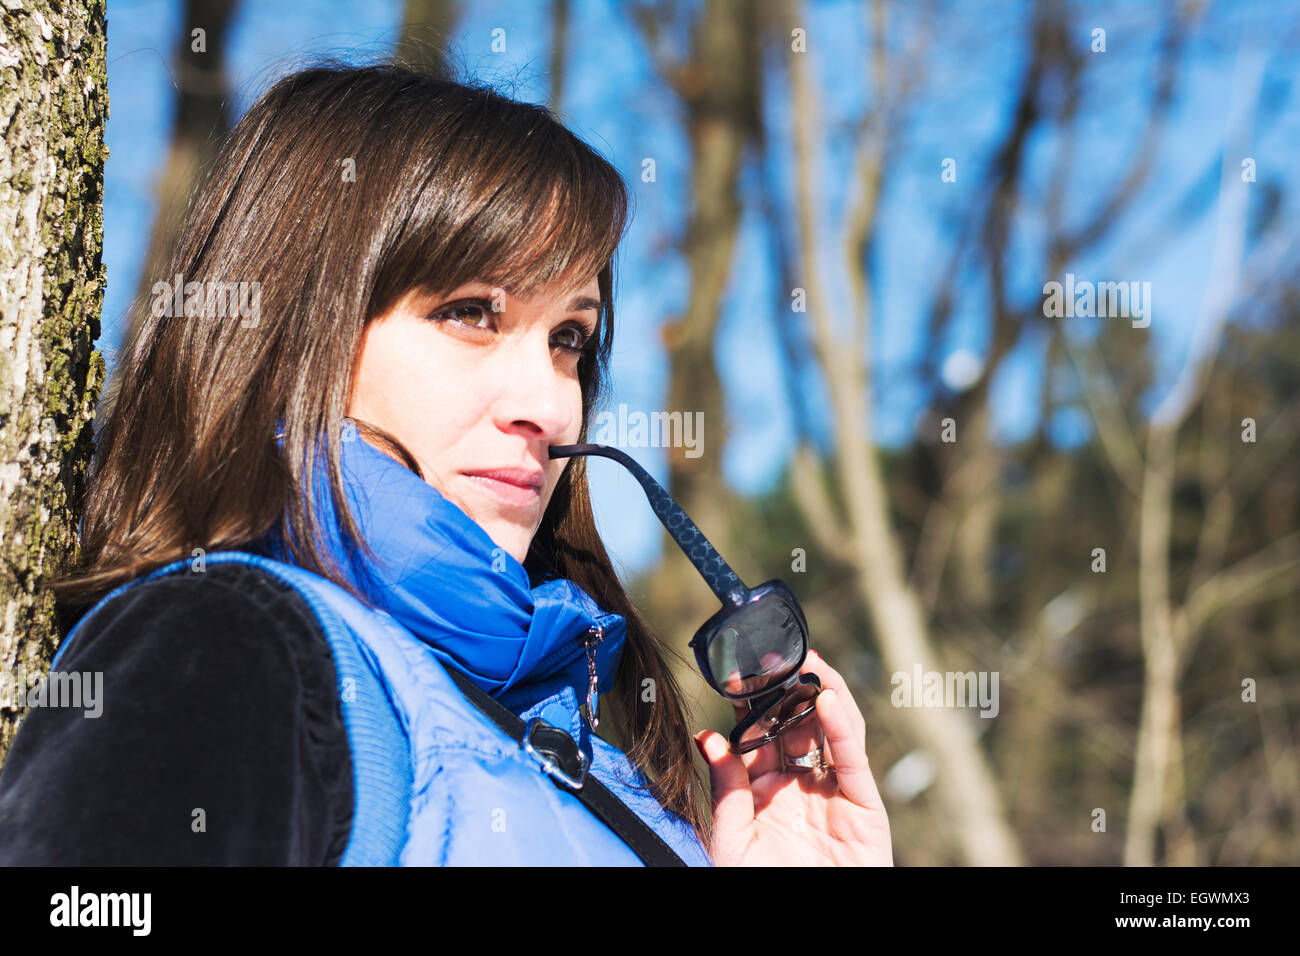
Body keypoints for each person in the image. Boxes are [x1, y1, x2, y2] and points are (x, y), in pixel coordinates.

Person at [0, 62, 892, 866]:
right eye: (471, 313)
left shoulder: (589, 751)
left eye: (569, 338)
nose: (548, 407)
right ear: (290, 329)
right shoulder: (224, 651)